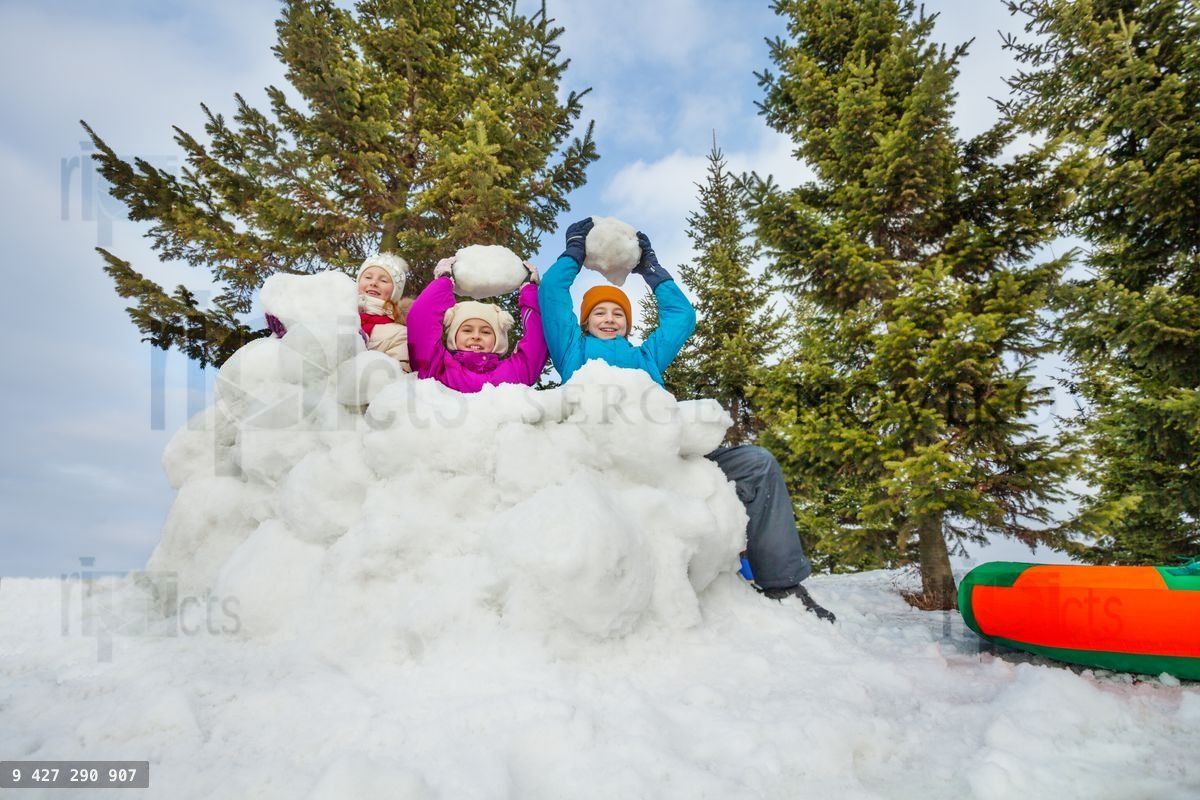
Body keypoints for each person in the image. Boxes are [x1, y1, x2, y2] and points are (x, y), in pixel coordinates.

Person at [539, 218, 835, 622]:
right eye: (599, 313)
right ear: (585, 321)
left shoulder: (647, 358)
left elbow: (682, 317)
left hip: (667, 466)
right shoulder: (572, 351)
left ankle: (783, 584)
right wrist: (574, 250)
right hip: (605, 472)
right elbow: (553, 293)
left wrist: (651, 270)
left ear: (628, 323)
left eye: (617, 313)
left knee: (757, 464)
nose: (609, 319)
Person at [406, 256, 549, 393]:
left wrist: (529, 290)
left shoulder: (516, 372)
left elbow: (537, 340)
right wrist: (444, 281)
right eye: (467, 330)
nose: (476, 336)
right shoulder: (437, 367)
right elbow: (421, 318)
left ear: (498, 339)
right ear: (454, 336)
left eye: (486, 332)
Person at [357, 253, 412, 370]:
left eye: (383, 280)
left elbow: (398, 375)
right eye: (368, 277)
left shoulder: (399, 333)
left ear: (395, 292)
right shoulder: (338, 311)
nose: (373, 283)